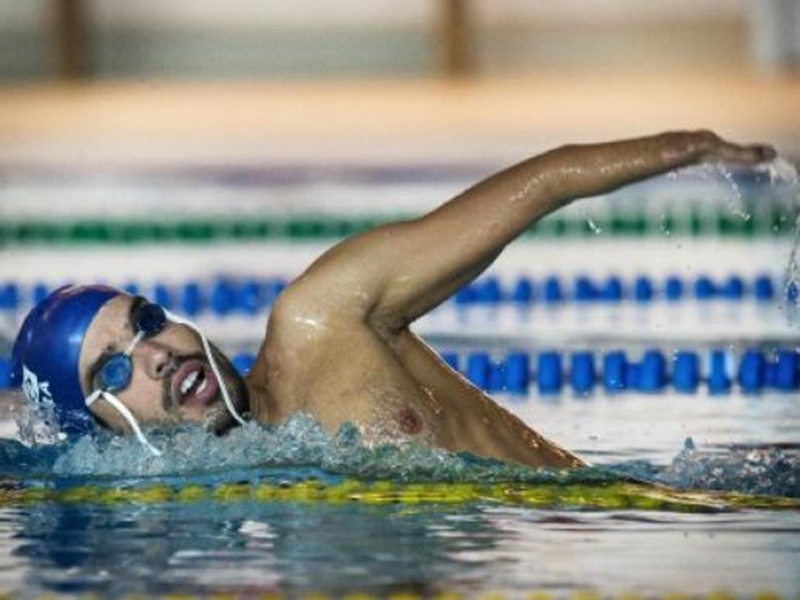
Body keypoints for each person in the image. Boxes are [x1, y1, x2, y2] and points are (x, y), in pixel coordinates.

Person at [10, 130, 775, 467]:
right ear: (101, 435)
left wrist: (692, 147)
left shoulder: (323, 317)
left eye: (143, 324)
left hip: (628, 511)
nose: (153, 356)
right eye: (112, 374)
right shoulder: (223, 506)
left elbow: (542, 184)